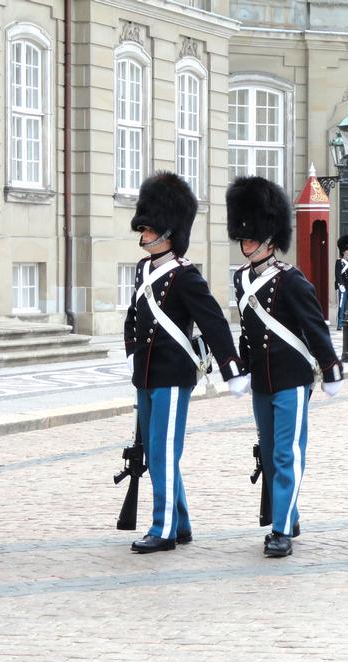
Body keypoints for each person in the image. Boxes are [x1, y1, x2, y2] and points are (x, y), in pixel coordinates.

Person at [124, 171, 250, 554]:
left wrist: (231, 368)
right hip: (145, 373)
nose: (143, 235)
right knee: (157, 449)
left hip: (172, 374)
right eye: (143, 229)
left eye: (148, 230)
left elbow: (213, 320)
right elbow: (136, 317)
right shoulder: (144, 270)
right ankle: (179, 522)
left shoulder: (185, 275)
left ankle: (162, 529)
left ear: (167, 232)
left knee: (163, 450)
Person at [228, 176, 343, 558]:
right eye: (242, 239)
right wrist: (242, 368)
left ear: (270, 239)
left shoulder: (291, 280)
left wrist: (331, 368)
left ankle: (280, 530)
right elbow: (247, 331)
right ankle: (288, 513)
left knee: (285, 454)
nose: (245, 246)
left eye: (251, 239)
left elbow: (314, 326)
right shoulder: (241, 279)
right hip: (262, 379)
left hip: (292, 379)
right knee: (271, 448)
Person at [334, 235, 348, 330]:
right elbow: (337, 274)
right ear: (343, 251)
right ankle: (340, 324)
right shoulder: (339, 262)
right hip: (343, 287)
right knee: (342, 305)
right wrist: (340, 284)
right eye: (346, 250)